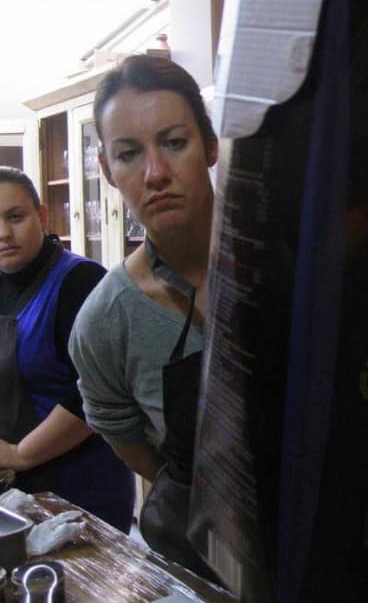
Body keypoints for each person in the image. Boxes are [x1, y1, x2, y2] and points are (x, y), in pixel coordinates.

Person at [68, 54, 220, 581]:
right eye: (129, 154)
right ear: (107, 169)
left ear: (211, 145)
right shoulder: (105, 321)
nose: (155, 174)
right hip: (204, 559)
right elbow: (133, 447)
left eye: (174, 143)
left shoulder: (298, 262)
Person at [0, 166, 135, 532]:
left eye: (15, 217)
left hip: (77, 485)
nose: (3, 233)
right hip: (14, 486)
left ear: (42, 216)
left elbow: (95, 391)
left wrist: (18, 454)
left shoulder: (81, 282)